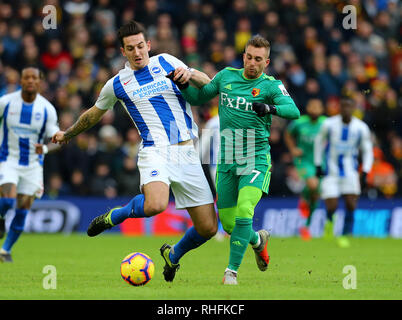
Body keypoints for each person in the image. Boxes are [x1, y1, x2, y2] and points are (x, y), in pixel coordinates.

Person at [51, 20, 217, 282]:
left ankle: (173, 256)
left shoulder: (166, 62)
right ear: (123, 51)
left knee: (208, 228)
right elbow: (94, 114)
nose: (137, 52)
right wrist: (67, 133)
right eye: (131, 48)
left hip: (186, 152)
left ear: (148, 45)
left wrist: (191, 75)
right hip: (155, 151)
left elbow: (208, 85)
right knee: (156, 204)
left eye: (141, 46)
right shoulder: (117, 84)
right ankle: (116, 215)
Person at [167, 35, 300, 284]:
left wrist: (271, 109)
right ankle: (258, 240)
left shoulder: (271, 86)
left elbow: (294, 111)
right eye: (248, 57)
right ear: (243, 56)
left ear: (266, 62)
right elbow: (199, 97)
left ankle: (231, 272)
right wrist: (182, 84)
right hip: (227, 162)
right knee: (229, 225)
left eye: (258, 59)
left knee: (244, 212)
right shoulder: (226, 76)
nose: (252, 62)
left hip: (255, 160)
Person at [0, 66, 59, 262]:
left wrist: (47, 148)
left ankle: (5, 250)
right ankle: (1, 220)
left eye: (35, 77)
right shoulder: (6, 103)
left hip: (33, 166)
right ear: (21, 81)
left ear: (40, 81)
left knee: (23, 209)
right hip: (7, 160)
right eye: (27, 77)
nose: (31, 81)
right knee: (7, 200)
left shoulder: (47, 109)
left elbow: (56, 138)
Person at [314, 93, 373, 248]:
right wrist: (318, 164)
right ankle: (328, 228)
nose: (346, 109)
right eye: (343, 106)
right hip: (331, 172)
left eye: (349, 106)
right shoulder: (329, 124)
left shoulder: (361, 127)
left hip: (350, 172)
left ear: (354, 108)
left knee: (351, 204)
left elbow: (367, 151)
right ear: (339, 108)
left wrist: (365, 171)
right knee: (332, 205)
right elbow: (319, 142)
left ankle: (347, 234)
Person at [284, 98, 326, 241]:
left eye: (317, 107)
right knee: (313, 184)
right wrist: (293, 149)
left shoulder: (326, 123)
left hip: (320, 161)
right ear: (308, 108)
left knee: (316, 194)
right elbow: (288, 134)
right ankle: (305, 197)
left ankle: (306, 226)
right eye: (312, 106)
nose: (315, 110)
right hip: (303, 160)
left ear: (322, 109)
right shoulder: (299, 122)